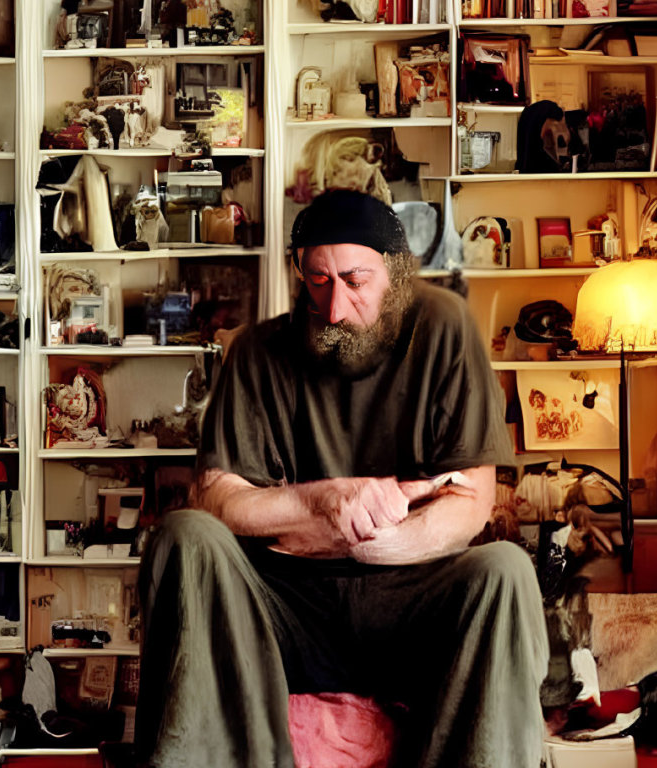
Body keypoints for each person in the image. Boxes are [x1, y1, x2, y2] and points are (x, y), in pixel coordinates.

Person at [133, 190, 549, 768]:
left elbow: (471, 501)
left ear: (397, 274)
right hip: (284, 607)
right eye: (318, 281)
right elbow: (221, 499)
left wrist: (367, 539)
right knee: (184, 535)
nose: (334, 307)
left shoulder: (445, 330)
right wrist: (327, 501)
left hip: (410, 600)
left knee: (505, 569)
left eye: (355, 281)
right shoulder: (257, 352)